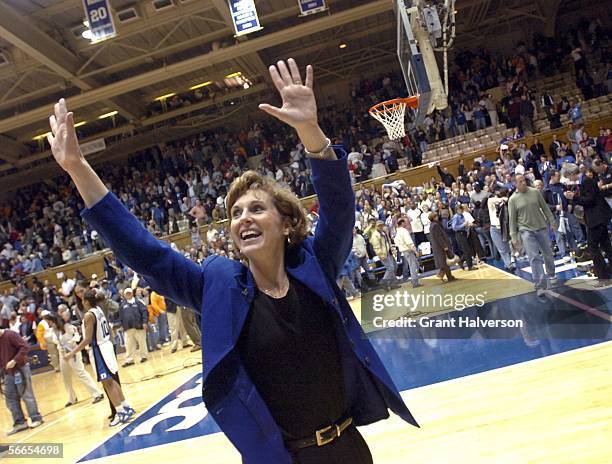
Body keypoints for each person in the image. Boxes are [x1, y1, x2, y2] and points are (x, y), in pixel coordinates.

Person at [47, 59, 417, 463]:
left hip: (348, 449)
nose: (243, 218)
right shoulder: (220, 287)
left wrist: (310, 131)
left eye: (256, 208)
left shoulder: (315, 262)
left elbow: (340, 211)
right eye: (236, 213)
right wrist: (78, 169)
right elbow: (146, 254)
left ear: (286, 222)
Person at [62, 290, 134, 426]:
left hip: (99, 349)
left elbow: (88, 339)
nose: (81, 302)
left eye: (83, 299)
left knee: (107, 382)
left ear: (87, 302)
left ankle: (120, 412)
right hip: (106, 346)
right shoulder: (99, 310)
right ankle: (125, 406)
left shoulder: (89, 315)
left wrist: (72, 353)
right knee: (112, 379)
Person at [562, 163, 612, 288]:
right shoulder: (585, 181)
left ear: (572, 174)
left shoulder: (586, 182)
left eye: (568, 176)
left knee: (593, 247)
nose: (569, 179)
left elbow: (589, 200)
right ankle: (607, 273)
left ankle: (604, 278)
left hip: (596, 218)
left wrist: (574, 197)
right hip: (599, 217)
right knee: (606, 245)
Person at [508, 174, 558, 296]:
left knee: (548, 252)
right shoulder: (512, 200)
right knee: (534, 257)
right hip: (526, 231)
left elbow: (545, 208)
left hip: (541, 227)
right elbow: (512, 220)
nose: (523, 183)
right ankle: (540, 285)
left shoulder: (535, 192)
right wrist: (514, 236)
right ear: (515, 184)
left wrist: (552, 221)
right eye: (520, 182)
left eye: (524, 180)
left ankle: (551, 274)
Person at [43, 312, 104, 407]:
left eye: (48, 321)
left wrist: (71, 344)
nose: (48, 324)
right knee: (65, 376)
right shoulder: (53, 330)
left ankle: (97, 393)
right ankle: (72, 398)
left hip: (73, 352)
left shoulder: (68, 326)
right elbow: (54, 340)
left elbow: (77, 336)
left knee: (81, 373)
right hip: (62, 353)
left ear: (52, 320)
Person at [0, 327, 43, 435]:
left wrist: (14, 360)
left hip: (20, 368)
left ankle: (36, 418)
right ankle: (20, 423)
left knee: (26, 395)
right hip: (8, 373)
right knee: (10, 398)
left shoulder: (10, 335)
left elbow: (25, 346)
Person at [119, 287, 149, 367]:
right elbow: (121, 316)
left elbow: (144, 312)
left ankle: (144, 356)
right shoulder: (122, 305)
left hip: (139, 326)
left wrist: (145, 322)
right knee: (129, 345)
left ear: (132, 293)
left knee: (142, 343)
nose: (128, 294)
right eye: (127, 293)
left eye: (129, 293)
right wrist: (122, 325)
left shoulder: (139, 302)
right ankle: (129, 360)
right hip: (128, 329)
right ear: (124, 295)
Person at [428, 211, 457, 282]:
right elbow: (439, 237)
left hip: (438, 246)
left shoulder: (433, 225)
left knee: (444, 263)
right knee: (445, 263)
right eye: (436, 216)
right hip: (440, 247)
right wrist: (444, 246)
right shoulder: (435, 225)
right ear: (433, 218)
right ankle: (448, 277)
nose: (438, 217)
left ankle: (443, 276)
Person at [395, 218, 420, 288]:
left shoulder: (398, 232)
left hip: (404, 250)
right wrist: (415, 250)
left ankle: (413, 280)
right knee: (413, 266)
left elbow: (396, 242)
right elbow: (409, 242)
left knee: (415, 265)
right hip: (408, 250)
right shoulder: (403, 231)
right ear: (402, 223)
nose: (406, 223)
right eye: (405, 222)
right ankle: (415, 282)